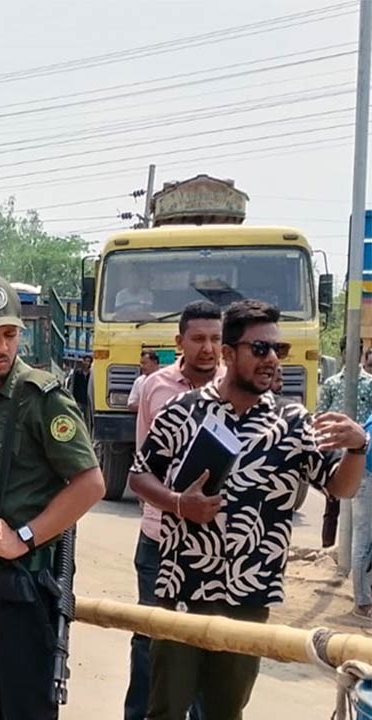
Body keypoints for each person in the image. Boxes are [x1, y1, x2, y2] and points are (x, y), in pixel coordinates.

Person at [130, 299, 369, 720]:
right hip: (182, 586)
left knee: (226, 711)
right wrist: (180, 504)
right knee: (166, 709)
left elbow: (340, 487)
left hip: (249, 595)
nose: (272, 359)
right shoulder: (182, 412)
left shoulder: (292, 423)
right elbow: (140, 475)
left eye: (279, 350)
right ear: (229, 354)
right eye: (260, 349)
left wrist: (357, 449)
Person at [0, 273, 105, 720]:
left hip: (21, 592)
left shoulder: (40, 398)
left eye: (10, 334)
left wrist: (23, 535)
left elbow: (90, 484)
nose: (2, 347)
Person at [124, 299, 223, 720]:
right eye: (198, 338)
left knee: (209, 645)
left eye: (216, 339)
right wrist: (179, 505)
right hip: (158, 541)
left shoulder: (234, 387)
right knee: (151, 643)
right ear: (179, 341)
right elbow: (142, 470)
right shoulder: (155, 388)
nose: (208, 348)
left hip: (217, 548)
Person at [315, 335, 372, 620]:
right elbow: (319, 414)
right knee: (335, 510)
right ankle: (330, 553)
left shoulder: (369, 384)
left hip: (361, 458)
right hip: (335, 457)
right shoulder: (333, 383)